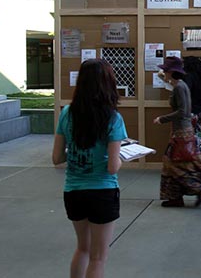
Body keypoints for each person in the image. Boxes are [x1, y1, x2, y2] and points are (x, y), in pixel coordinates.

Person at [52, 58, 128, 278]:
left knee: (82, 249)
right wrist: (123, 157)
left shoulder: (67, 113)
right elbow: (113, 167)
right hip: (102, 191)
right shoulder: (113, 118)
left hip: (73, 191)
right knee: (98, 258)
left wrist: (79, 154)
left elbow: (57, 157)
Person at [153, 56, 201, 207]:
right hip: (184, 129)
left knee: (174, 163)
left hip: (181, 131)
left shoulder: (180, 87)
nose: (163, 72)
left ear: (171, 72)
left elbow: (183, 111)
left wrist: (162, 118)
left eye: (165, 70)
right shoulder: (180, 85)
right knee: (185, 162)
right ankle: (180, 195)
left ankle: (195, 189)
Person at [183, 56, 201, 162]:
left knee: (190, 137)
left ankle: (193, 160)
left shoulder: (189, 76)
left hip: (192, 111)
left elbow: (186, 92)